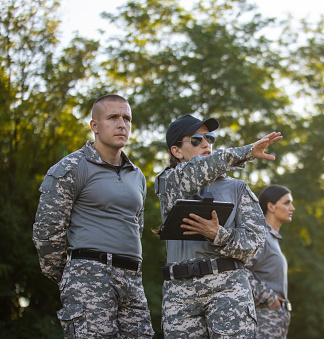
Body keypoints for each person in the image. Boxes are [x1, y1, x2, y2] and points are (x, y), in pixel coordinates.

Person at [32, 94, 154, 338]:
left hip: (132, 280)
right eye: (113, 117)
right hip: (90, 276)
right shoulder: (72, 167)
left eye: (127, 118)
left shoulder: (137, 175)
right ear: (94, 126)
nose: (122, 124)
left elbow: (136, 227)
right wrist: (69, 275)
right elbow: (47, 230)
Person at [155, 114, 282, 338]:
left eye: (210, 138)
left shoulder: (239, 188)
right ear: (176, 151)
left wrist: (218, 235)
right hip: (179, 295)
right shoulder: (169, 182)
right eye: (196, 140)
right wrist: (247, 151)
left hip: (229, 289)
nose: (206, 144)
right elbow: (199, 169)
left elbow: (254, 244)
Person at [245, 185, 294, 339]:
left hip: (276, 320)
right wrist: (269, 297)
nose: (292, 208)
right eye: (286, 203)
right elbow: (239, 272)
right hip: (263, 319)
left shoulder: (272, 239)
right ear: (271, 207)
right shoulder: (261, 236)